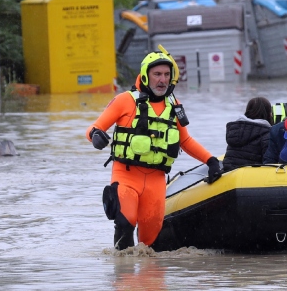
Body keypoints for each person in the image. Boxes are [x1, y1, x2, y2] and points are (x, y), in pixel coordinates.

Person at [86, 50, 222, 250]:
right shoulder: (125, 100)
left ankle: (148, 281)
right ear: (145, 76)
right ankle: (123, 276)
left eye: (166, 75)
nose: (162, 80)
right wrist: (96, 137)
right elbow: (93, 129)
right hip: (126, 175)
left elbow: (185, 140)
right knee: (125, 222)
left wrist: (210, 160)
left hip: (156, 181)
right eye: (157, 74)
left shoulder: (174, 105)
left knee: (149, 241)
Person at [222, 97, 273, 171]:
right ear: (268, 114)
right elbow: (269, 164)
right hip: (251, 177)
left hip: (229, 175)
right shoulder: (267, 134)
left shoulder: (235, 131)